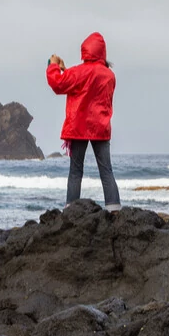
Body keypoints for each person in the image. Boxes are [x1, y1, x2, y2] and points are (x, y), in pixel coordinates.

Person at [46, 32, 121, 212]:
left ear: (85, 51)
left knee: (76, 171)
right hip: (100, 127)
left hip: (78, 127)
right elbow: (89, 84)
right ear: (102, 52)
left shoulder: (77, 72)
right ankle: (114, 209)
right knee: (106, 171)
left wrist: (53, 65)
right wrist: (65, 69)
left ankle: (71, 210)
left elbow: (59, 84)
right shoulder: (109, 76)